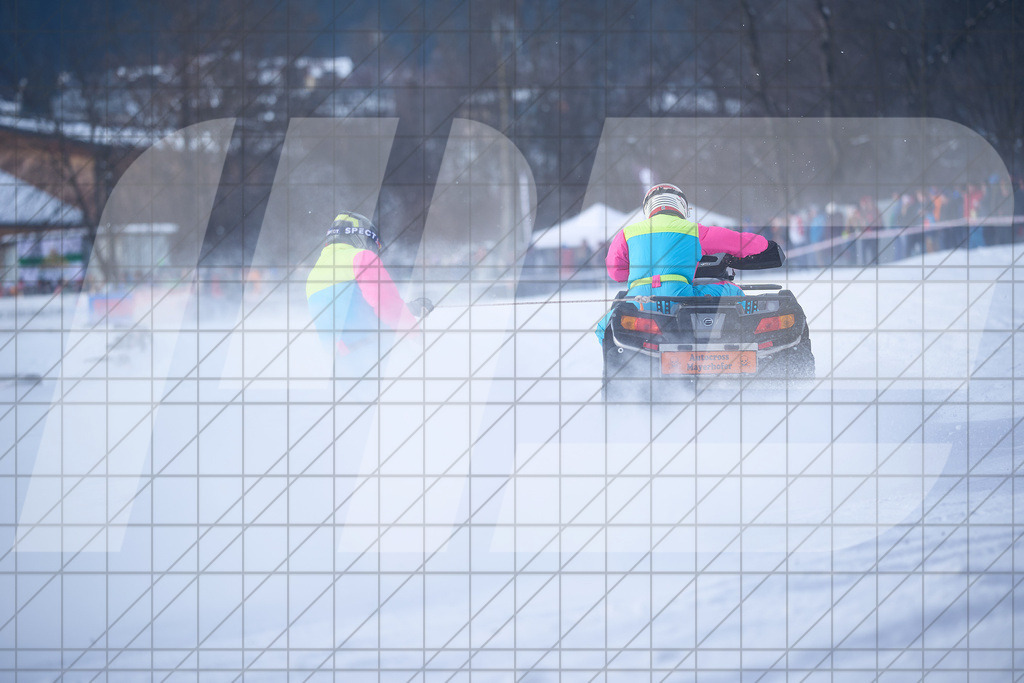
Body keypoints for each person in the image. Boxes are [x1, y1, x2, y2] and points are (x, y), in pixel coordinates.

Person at [595, 183, 772, 344]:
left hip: (638, 300)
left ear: (648, 208)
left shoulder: (627, 233)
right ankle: (745, 341)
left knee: (603, 328)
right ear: (682, 207)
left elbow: (615, 272)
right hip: (679, 296)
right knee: (732, 290)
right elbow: (742, 243)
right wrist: (766, 244)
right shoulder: (694, 231)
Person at [306, 212, 432, 368]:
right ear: (360, 236)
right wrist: (417, 336)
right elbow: (385, 304)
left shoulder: (313, 275)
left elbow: (352, 306)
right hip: (373, 352)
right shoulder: (361, 257)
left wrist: (409, 307)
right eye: (372, 245)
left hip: (342, 362)